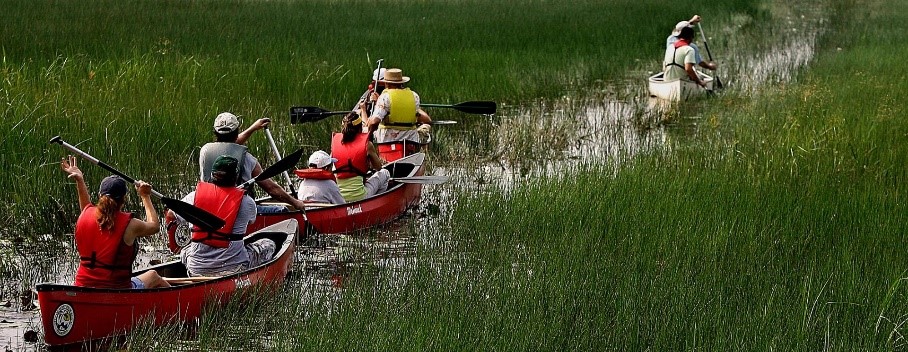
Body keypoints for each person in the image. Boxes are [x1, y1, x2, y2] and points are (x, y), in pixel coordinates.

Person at [59, 155, 170, 289]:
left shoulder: (85, 214)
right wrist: (145, 196)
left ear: (100, 196)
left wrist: (80, 181)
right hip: (116, 289)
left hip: (83, 286)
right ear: (124, 199)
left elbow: (85, 206)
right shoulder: (130, 225)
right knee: (153, 275)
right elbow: (154, 226)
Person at [173, 155, 276, 277]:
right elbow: (251, 222)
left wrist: (174, 244)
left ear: (212, 176)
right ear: (236, 177)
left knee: (185, 250)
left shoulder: (193, 197)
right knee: (269, 244)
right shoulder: (247, 202)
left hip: (196, 270)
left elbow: (170, 215)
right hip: (234, 269)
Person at [199, 112, 307, 212]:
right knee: (283, 210)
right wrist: (296, 203)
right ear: (237, 132)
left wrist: (253, 128)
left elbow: (227, 145)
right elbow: (271, 189)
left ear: (215, 133)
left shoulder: (204, 151)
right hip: (238, 211)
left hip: (210, 209)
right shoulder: (248, 159)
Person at [365, 68, 433, 146]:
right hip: (411, 140)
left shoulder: (385, 97)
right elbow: (424, 118)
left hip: (387, 141)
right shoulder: (414, 96)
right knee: (425, 128)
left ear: (387, 84)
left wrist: (369, 133)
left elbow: (374, 122)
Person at [333, 110, 391, 202]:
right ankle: (377, 202)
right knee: (385, 173)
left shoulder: (335, 144)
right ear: (360, 129)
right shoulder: (367, 145)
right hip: (360, 197)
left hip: (339, 198)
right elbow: (378, 167)